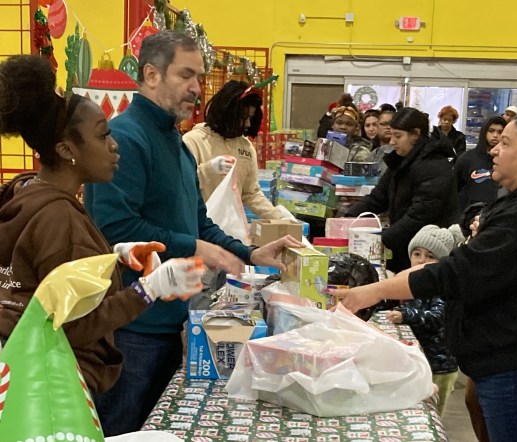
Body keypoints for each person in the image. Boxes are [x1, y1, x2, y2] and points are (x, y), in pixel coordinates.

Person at [83, 31, 302, 436]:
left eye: (199, 77)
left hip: (172, 320)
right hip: (133, 328)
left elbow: (198, 221)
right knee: (124, 428)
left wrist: (250, 254)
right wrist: (196, 247)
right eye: (186, 75)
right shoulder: (125, 139)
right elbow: (115, 227)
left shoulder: (176, 141)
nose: (197, 88)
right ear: (151, 74)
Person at [334, 111, 517, 441]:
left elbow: (457, 272)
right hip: (504, 360)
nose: (494, 150)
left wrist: (372, 291)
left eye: (505, 143)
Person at [0, 55, 206, 394]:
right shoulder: (58, 217)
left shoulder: (24, 193)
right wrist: (149, 290)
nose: (114, 146)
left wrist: (111, 256)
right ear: (67, 149)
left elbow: (47, 280)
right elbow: (73, 326)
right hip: (57, 387)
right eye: (102, 136)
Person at [345, 107, 459, 273]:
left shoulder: (434, 165)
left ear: (415, 134)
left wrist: (381, 240)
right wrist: (348, 219)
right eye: (391, 135)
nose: (392, 141)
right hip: (403, 247)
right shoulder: (401, 161)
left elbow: (420, 215)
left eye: (398, 136)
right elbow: (378, 198)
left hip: (427, 253)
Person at [386, 224, 463, 416]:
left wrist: (406, 316)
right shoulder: (409, 279)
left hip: (441, 366)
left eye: (430, 256)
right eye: (417, 254)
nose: (421, 260)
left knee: (433, 413)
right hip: (420, 359)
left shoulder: (443, 287)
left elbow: (437, 317)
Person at [182, 80, 282, 219]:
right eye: (243, 117)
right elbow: (180, 186)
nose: (247, 124)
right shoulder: (193, 141)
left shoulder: (245, 147)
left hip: (232, 230)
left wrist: (279, 217)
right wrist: (208, 170)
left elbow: (251, 193)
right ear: (227, 113)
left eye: (250, 118)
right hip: (198, 227)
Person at [454, 116, 507, 212]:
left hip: (497, 215)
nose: (495, 135)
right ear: (484, 132)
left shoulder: (508, 161)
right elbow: (454, 190)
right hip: (469, 216)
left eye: (500, 132)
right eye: (491, 131)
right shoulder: (467, 159)